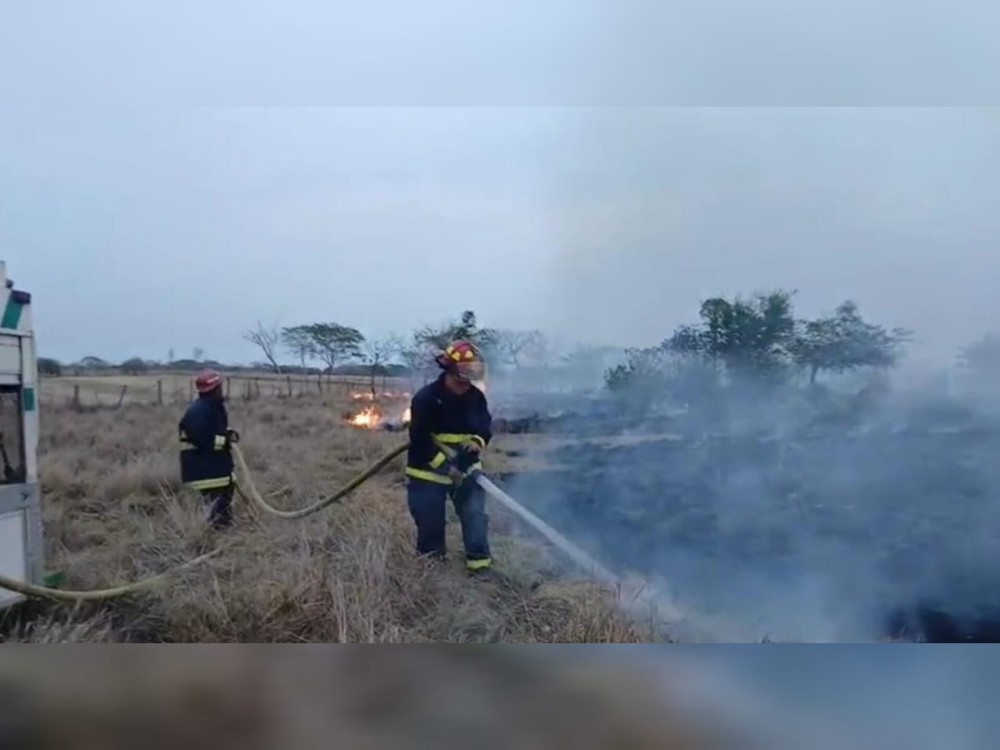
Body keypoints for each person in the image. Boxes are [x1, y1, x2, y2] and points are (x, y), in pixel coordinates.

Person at [405, 340, 494, 574]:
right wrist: (445, 467)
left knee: (475, 516)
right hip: (427, 472)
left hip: (466, 468)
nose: (467, 380)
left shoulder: (476, 397)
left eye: (473, 372)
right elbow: (420, 440)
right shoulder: (426, 398)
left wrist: (476, 442)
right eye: (464, 372)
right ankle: (432, 575)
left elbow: (485, 427)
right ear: (449, 369)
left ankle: (480, 568)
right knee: (431, 524)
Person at [178, 369, 240, 530]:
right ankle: (216, 536)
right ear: (215, 388)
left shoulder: (210, 407)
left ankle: (223, 530)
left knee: (221, 504)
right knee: (214, 507)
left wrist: (226, 435)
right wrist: (225, 440)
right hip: (206, 471)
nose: (222, 389)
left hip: (214, 468)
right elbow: (203, 439)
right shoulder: (199, 411)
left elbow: (213, 432)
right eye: (220, 386)